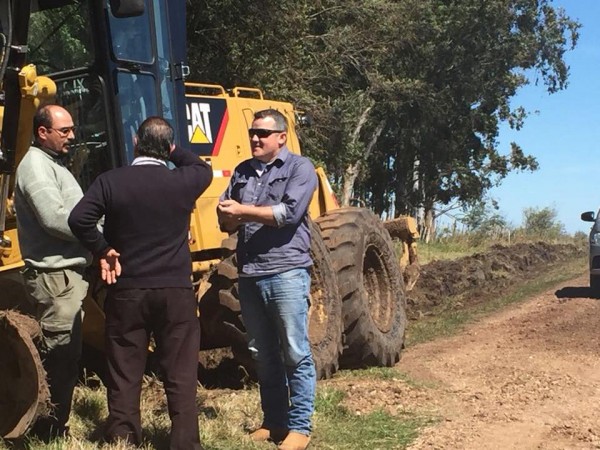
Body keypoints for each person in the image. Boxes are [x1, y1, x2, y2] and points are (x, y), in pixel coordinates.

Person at [68, 117, 213, 449]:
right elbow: (199, 165)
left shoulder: (111, 181)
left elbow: (79, 219)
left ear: (135, 142)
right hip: (175, 291)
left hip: (127, 288)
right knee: (180, 374)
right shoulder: (186, 180)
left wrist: (103, 248)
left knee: (125, 369)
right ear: (168, 147)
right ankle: (184, 442)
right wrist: (172, 148)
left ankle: (124, 437)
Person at [217, 109, 317, 450]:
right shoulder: (243, 171)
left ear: (281, 137)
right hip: (250, 273)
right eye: (252, 133)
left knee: (294, 350)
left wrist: (241, 212)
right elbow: (225, 217)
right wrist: (227, 216)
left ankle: (300, 427)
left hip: (287, 271)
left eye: (262, 133)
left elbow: (288, 213)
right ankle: (274, 422)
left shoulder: (299, 168)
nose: (255, 139)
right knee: (262, 352)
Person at [14, 104, 92, 440]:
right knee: (59, 356)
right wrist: (99, 234)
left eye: (72, 129)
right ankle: (48, 431)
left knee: (67, 354)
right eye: (65, 131)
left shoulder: (51, 164)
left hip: (65, 276)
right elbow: (55, 218)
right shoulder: (35, 167)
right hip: (55, 278)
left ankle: (53, 426)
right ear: (42, 132)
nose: (72, 136)